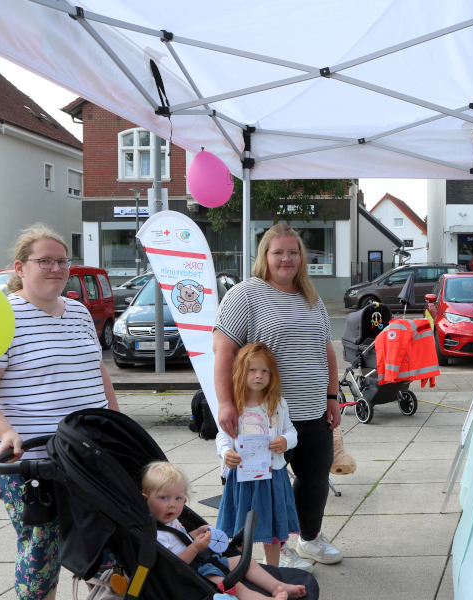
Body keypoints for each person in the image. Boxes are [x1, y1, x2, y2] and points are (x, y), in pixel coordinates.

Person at [0, 224, 119, 600]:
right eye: (44, 260)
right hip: (31, 461)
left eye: (62, 261)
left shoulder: (78, 312)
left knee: (106, 542)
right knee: (41, 550)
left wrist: (116, 422)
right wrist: (6, 432)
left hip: (88, 457)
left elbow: (97, 372)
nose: (56, 268)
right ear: (20, 267)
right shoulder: (0, 319)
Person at [214, 224, 341, 572]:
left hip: (313, 411)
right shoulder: (246, 295)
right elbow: (223, 351)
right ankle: (281, 548)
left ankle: (310, 537)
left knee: (314, 482)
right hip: (264, 418)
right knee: (270, 490)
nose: (286, 258)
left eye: (293, 252)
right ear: (264, 256)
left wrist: (332, 395)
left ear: (302, 257)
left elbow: (326, 351)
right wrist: (226, 403)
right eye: (278, 252)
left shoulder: (311, 299)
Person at [141, 461, 304, 599]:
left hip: (203, 560)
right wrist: (195, 547)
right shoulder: (156, 535)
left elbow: (180, 540)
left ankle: (277, 586)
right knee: (232, 583)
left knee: (246, 562)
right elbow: (173, 564)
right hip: (189, 574)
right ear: (146, 500)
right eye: (164, 498)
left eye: (178, 498)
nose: (172, 504)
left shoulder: (171, 520)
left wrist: (195, 534)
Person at [216, 343, 301, 567]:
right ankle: (241, 571)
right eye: (252, 370)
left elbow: (291, 430)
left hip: (272, 477)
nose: (259, 376)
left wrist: (285, 441)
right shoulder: (234, 406)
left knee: (272, 530)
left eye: (265, 371)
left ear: (272, 375)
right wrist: (226, 453)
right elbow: (222, 436)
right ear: (242, 372)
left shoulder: (278, 404)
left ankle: (272, 571)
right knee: (240, 532)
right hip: (242, 480)